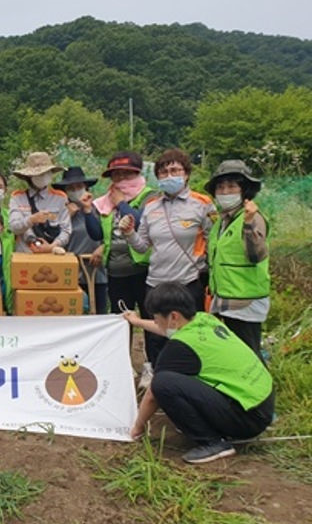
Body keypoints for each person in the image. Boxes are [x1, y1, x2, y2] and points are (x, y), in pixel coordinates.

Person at [124, 282, 274, 464]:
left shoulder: (181, 347)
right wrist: (137, 321)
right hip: (262, 402)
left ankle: (212, 443)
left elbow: (152, 396)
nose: (155, 322)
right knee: (180, 377)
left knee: (162, 382)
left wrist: (137, 428)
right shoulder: (204, 320)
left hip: (247, 419)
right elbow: (167, 329)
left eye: (156, 318)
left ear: (173, 317)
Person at [122, 148, 215, 375]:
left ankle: (189, 380)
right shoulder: (151, 207)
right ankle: (158, 379)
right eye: (163, 172)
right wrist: (129, 234)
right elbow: (143, 246)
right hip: (156, 283)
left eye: (174, 170)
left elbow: (214, 243)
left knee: (188, 335)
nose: (169, 175)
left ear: (186, 174)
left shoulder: (202, 204)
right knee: (156, 336)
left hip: (188, 282)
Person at [205, 160, 270, 360]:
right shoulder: (223, 221)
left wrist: (249, 224)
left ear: (244, 190)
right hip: (227, 298)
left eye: (232, 186)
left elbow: (256, 255)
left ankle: (262, 391)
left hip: (245, 301)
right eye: (220, 187)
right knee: (236, 354)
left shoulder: (252, 217)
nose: (225, 192)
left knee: (249, 355)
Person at [91, 151, 157, 318]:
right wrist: (86, 212)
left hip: (143, 270)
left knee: (150, 319)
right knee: (120, 321)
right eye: (116, 174)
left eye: (126, 173)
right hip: (116, 272)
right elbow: (97, 233)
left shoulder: (150, 196)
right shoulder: (106, 201)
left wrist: (121, 203)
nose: (121, 178)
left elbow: (141, 221)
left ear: (137, 173)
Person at [54, 166, 107, 314]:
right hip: (71, 273)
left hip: (96, 271)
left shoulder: (99, 209)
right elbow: (53, 240)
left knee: (99, 314)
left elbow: (107, 235)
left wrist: (102, 248)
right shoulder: (60, 212)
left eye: (79, 187)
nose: (76, 190)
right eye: (71, 188)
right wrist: (67, 216)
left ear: (86, 188)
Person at [8, 152, 71, 254]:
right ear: (29, 176)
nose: (42, 176)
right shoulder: (17, 198)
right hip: (25, 256)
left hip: (53, 255)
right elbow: (14, 227)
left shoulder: (60, 198)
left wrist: (52, 247)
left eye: (46, 172)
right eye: (38, 174)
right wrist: (31, 219)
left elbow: (66, 230)